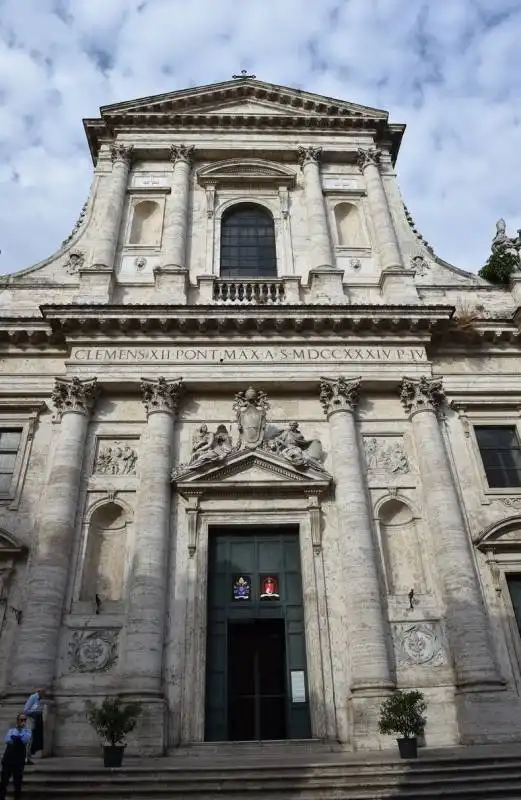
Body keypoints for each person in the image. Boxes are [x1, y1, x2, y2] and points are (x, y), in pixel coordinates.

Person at [0, 714, 31, 800]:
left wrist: (19, 735)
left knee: (17, 780)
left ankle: (17, 796)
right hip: (8, 757)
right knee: (4, 779)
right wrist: (17, 738)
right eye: (21, 720)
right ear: (17, 721)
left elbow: (25, 740)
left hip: (19, 758)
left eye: (24, 720)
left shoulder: (27, 731)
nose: (22, 721)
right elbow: (8, 740)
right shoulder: (11, 730)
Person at [23, 689, 45, 764]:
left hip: (36, 721)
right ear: (39, 692)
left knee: (33, 740)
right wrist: (35, 713)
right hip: (31, 720)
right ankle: (25, 758)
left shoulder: (38, 699)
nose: (44, 695)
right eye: (43, 693)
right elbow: (26, 710)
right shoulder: (33, 697)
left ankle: (28, 757)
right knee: (29, 740)